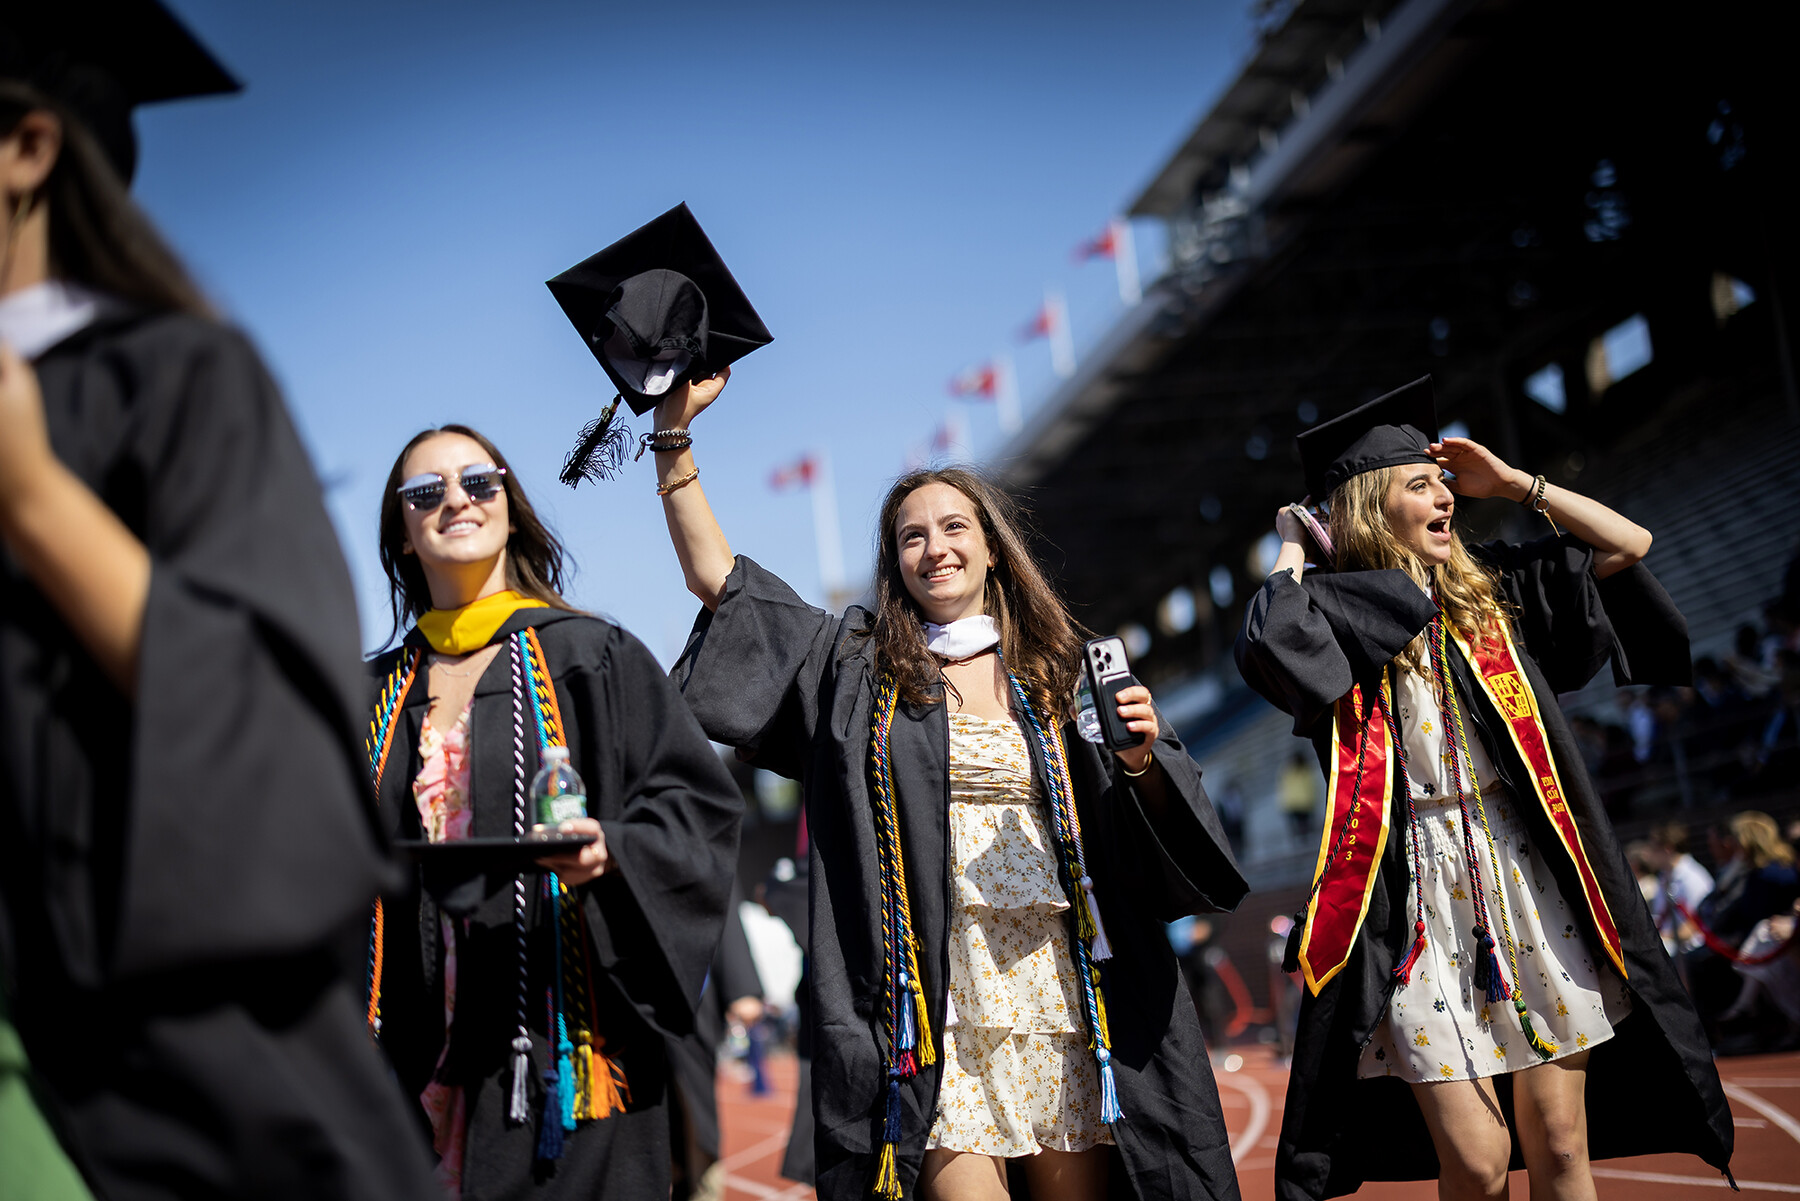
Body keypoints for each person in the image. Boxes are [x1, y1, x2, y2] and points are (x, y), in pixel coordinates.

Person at [0, 6, 440, 1198]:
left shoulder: (172, 383)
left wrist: (34, 498)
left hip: (154, 1086)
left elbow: (282, 757)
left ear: (28, 150)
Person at [657, 372, 1248, 1201]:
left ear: (992, 545)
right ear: (895, 562)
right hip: (935, 1004)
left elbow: (1149, 842)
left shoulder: (1061, 675)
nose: (934, 547)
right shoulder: (862, 670)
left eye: (953, 526)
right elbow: (723, 585)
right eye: (911, 536)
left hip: (1058, 991)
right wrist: (673, 444)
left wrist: (1144, 759)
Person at [1236, 378, 1731, 1201]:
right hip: (1412, 899)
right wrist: (1292, 543)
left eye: (1444, 484)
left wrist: (1515, 484)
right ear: (1367, 506)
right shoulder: (1330, 615)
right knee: (1474, 1162)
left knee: (1564, 1147)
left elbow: (1628, 543)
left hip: (1530, 877)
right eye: (1419, 484)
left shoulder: (1492, 594)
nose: (1445, 497)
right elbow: (1271, 639)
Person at [366, 425, 743, 1197]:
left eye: (479, 480)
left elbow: (695, 808)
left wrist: (614, 850)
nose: (456, 500)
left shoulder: (589, 657)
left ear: (510, 504)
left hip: (561, 1042)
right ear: (402, 534)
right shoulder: (370, 694)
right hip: (407, 1055)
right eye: (425, 492)